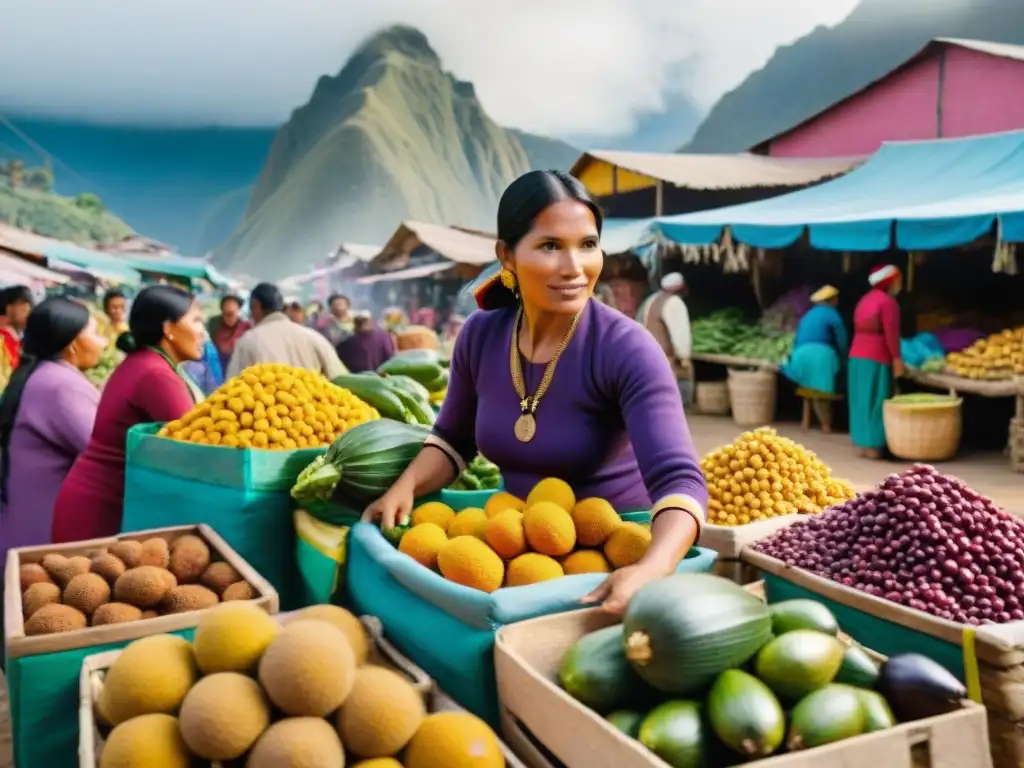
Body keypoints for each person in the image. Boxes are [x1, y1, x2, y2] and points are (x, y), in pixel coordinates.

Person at [362, 170, 707, 615]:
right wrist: (404, 487)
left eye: (587, 244)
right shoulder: (481, 335)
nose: (574, 266)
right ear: (507, 255)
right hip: (519, 549)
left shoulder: (626, 348)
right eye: (550, 246)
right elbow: (453, 440)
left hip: (611, 555)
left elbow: (681, 481)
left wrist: (652, 568)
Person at [51, 285, 205, 542]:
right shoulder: (156, 375)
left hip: (97, 500)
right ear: (168, 328)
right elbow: (198, 447)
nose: (203, 332)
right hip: (99, 510)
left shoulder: (146, 363)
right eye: (196, 320)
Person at [0, 298, 106, 549]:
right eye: (93, 333)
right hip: (40, 539)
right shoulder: (61, 386)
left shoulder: (41, 373)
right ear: (72, 344)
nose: (102, 342)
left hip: (19, 526)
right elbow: (107, 451)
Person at [227, 283, 347, 379]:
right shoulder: (314, 337)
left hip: (267, 409)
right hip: (314, 408)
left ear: (256, 306)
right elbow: (341, 379)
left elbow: (232, 389)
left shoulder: (247, 342)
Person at [849, 265, 904, 459]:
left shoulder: (864, 300)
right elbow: (891, 332)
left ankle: (863, 444)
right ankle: (873, 446)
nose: (900, 284)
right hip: (876, 355)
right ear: (889, 282)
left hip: (856, 355)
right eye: (898, 280)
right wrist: (897, 358)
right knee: (876, 399)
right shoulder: (888, 302)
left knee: (861, 400)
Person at [782, 285, 848, 434]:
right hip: (820, 355)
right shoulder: (832, 314)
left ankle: (806, 421)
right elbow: (841, 338)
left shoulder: (808, 315)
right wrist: (844, 357)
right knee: (822, 390)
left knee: (809, 387)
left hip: (800, 355)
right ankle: (826, 424)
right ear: (831, 300)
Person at [636, 273, 694, 406]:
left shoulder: (651, 300)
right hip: (665, 356)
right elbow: (680, 333)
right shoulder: (674, 303)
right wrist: (683, 356)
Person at [208, 294, 251, 373]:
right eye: (225, 314)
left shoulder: (246, 327)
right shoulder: (214, 324)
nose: (228, 317)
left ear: (238, 311)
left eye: (231, 314)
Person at [0, 285, 34, 371]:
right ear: (10, 308)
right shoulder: (5, 336)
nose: (29, 315)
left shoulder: (14, 337)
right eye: (24, 310)